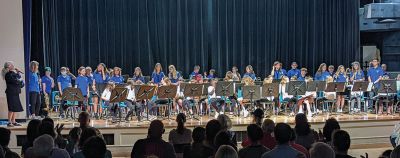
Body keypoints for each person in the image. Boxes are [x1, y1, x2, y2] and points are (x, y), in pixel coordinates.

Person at [2, 61, 24, 127]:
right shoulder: (8, 74)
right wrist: (20, 79)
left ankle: (13, 121)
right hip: (11, 93)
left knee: (15, 107)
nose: (13, 66)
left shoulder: (13, 73)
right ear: (9, 66)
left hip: (15, 92)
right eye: (12, 65)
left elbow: (20, 83)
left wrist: (18, 74)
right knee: (11, 107)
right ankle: (9, 122)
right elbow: (16, 81)